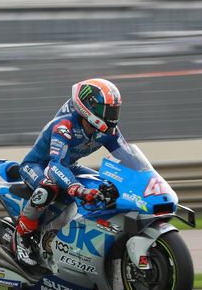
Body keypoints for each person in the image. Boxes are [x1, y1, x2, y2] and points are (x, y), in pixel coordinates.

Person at [12, 78, 126, 270]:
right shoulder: (65, 126)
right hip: (38, 165)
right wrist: (77, 189)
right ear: (89, 108)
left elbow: (127, 156)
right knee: (49, 186)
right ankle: (20, 237)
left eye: (114, 110)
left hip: (68, 166)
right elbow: (55, 166)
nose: (112, 116)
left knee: (103, 183)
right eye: (106, 110)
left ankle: (60, 236)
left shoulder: (107, 131)